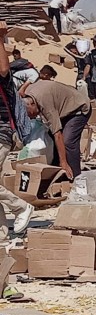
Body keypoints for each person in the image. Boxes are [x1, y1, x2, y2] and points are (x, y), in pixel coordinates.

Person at [0, 24, 35, 234]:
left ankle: (21, 207)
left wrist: (1, 36)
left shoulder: (3, 77)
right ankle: (2, 233)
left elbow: (4, 69)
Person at [23, 74, 91, 179]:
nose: (32, 117)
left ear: (32, 104)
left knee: (68, 141)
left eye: (31, 113)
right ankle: (55, 171)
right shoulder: (28, 94)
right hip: (63, 109)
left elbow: (58, 134)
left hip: (79, 108)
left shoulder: (45, 103)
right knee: (49, 136)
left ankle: (75, 178)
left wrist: (63, 162)